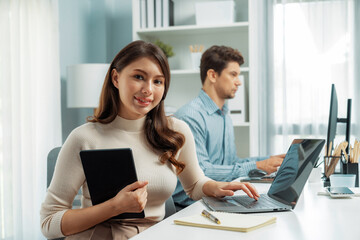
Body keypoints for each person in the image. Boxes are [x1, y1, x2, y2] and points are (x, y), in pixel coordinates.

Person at [40, 41, 260, 240]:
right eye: (138, 77)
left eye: (158, 81)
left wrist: (217, 187)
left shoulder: (176, 131)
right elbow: (48, 223)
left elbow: (194, 185)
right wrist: (114, 207)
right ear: (116, 78)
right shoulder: (84, 137)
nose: (148, 90)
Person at [172, 45, 285, 209]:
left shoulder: (224, 115)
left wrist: (269, 161)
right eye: (233, 74)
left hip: (216, 200)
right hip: (190, 205)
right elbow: (202, 171)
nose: (238, 82)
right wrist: (258, 166)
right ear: (212, 75)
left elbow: (231, 164)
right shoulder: (190, 116)